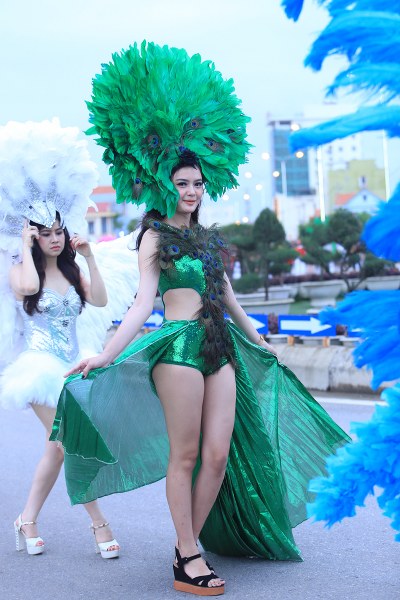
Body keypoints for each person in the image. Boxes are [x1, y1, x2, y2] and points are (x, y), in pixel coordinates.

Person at [50, 43, 350, 596]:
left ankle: (184, 545)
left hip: (221, 349)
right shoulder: (154, 236)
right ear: (167, 185)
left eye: (196, 184)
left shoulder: (210, 240)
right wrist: (105, 355)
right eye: (182, 183)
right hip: (178, 350)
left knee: (216, 454)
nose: (190, 191)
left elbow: (230, 299)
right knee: (185, 454)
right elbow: (142, 303)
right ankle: (189, 556)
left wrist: (262, 342)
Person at [0, 119, 119, 559]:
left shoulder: (72, 271)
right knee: (70, 444)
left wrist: (90, 258)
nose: (54, 239)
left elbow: (101, 300)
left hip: (72, 364)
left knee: (56, 447)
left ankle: (26, 519)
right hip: (38, 369)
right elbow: (29, 288)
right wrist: (23, 242)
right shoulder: (19, 270)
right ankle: (99, 523)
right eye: (45, 233)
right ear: (34, 235)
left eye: (57, 231)